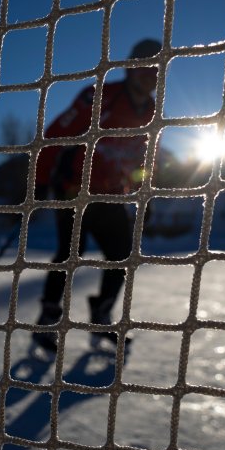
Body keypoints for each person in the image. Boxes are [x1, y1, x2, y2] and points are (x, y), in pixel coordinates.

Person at [32, 38, 161, 354]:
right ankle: (48, 320)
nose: (150, 76)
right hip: (74, 189)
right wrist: (40, 180)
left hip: (109, 194)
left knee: (122, 254)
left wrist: (146, 192)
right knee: (70, 252)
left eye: (157, 71)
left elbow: (144, 156)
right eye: (144, 68)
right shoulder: (99, 96)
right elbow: (54, 135)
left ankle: (101, 316)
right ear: (130, 68)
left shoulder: (151, 112)